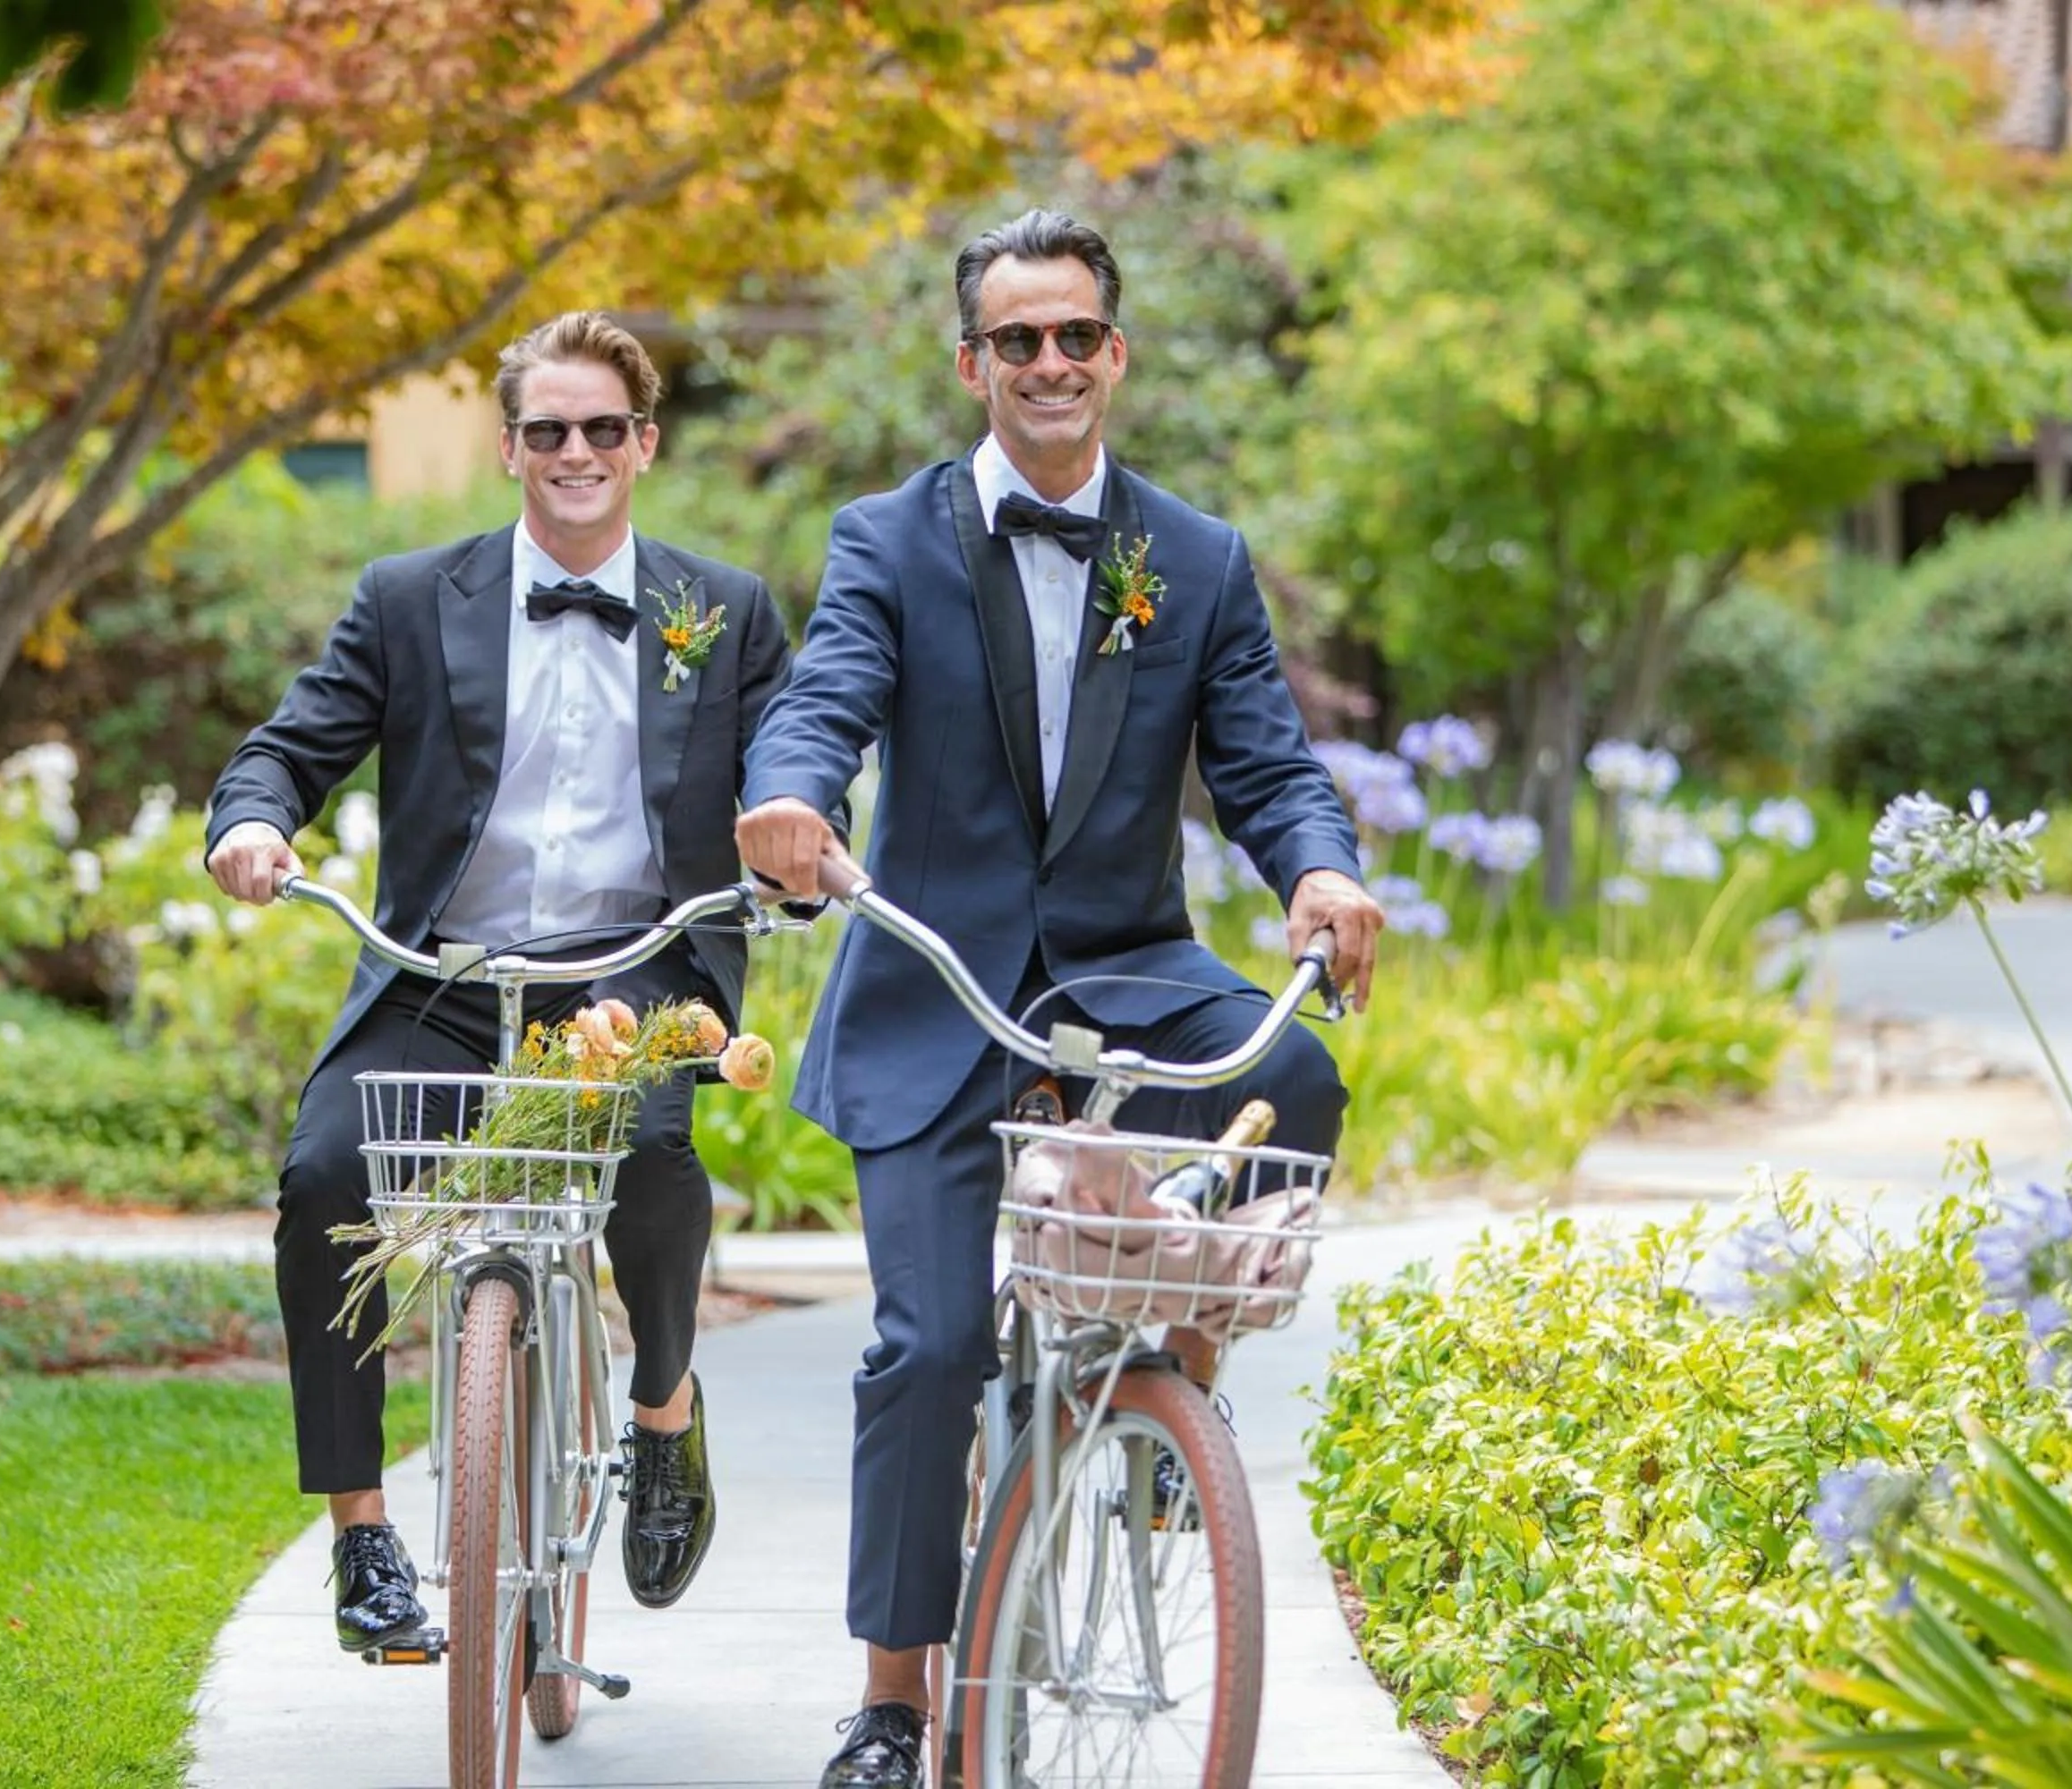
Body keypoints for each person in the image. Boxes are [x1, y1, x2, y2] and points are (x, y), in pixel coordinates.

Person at [735, 210, 1384, 1787]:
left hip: (1125, 969)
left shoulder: (1195, 558)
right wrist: (791, 797)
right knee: (930, 1351)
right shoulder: (886, 539)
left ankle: (1175, 1385)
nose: (1049, 362)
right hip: (936, 990)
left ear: (1116, 354)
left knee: (1293, 1076)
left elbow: (1267, 765)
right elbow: (827, 696)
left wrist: (1319, 872)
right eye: (1017, 339)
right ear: (973, 364)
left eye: (1075, 335)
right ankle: (893, 1704)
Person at [207, 310, 797, 1655]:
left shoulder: (726, 609)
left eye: (603, 428)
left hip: (634, 982)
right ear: (508, 449)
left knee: (653, 1157)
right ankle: (362, 1536)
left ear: (644, 443)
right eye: (548, 430)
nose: (576, 451)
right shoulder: (411, 598)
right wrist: (253, 822)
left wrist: (793, 843)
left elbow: (788, 763)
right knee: (325, 1178)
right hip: (446, 977)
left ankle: (662, 1417)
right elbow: (286, 749)